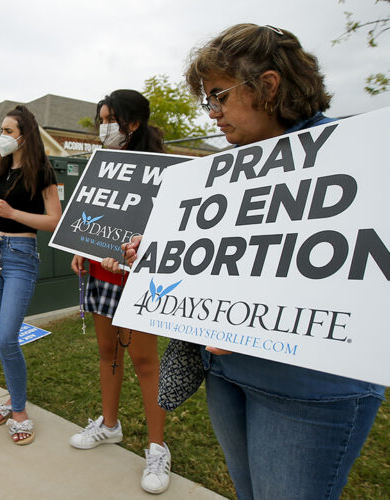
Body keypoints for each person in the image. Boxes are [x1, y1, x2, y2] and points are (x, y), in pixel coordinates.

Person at [109, 24, 385, 500]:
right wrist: (157, 253)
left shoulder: (360, 156)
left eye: (219, 96)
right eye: (207, 102)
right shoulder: (221, 172)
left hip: (306, 390)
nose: (212, 113)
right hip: (225, 375)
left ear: (269, 86)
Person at [69, 90, 171, 494]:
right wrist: (81, 247)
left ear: (133, 122)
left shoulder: (164, 170)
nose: (103, 127)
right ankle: (109, 425)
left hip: (139, 279)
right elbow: (91, 216)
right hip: (100, 274)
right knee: (108, 353)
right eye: (100, 120)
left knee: (146, 363)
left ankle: (157, 447)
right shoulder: (102, 165)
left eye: (110, 119)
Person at [0, 105, 61, 444]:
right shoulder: (2, 170)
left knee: (8, 335)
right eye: (1, 130)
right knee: (2, 336)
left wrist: (12, 211)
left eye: (8, 131)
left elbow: (54, 220)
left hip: (21, 257)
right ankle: (14, 397)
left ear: (25, 136)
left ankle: (19, 411)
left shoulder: (43, 171)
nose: (2, 137)